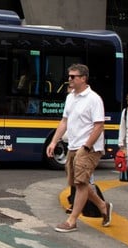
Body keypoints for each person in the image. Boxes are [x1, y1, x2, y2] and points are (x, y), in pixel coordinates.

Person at [46, 64, 113, 233]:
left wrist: (86, 146)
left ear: (83, 78)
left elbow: (99, 126)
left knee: (81, 183)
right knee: (75, 183)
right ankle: (102, 206)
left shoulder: (94, 99)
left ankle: (72, 221)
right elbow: (64, 122)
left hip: (88, 148)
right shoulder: (71, 98)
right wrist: (54, 141)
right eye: (69, 76)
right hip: (73, 146)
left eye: (73, 76)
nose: (69, 79)